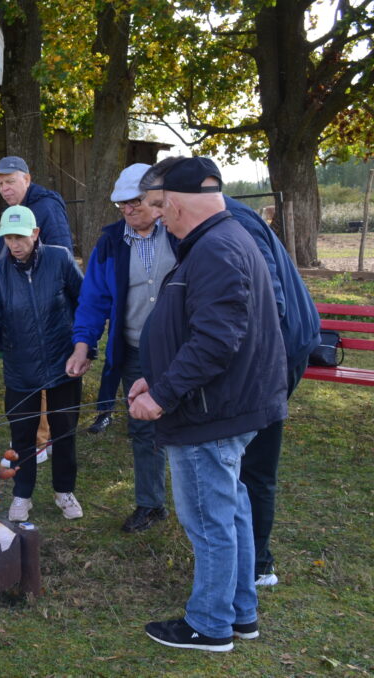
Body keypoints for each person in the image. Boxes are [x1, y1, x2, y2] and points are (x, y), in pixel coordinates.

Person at [128, 157, 287, 652]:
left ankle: (211, 625)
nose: (159, 218)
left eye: (160, 207)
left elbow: (216, 342)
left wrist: (162, 394)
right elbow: (199, 330)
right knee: (231, 511)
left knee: (209, 520)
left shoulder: (216, 248)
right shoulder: (225, 238)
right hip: (223, 405)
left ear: (175, 203)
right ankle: (240, 613)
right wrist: (151, 379)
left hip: (207, 412)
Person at [66, 164, 179, 533]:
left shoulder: (181, 233)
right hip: (133, 352)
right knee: (143, 428)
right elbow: (93, 300)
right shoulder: (110, 243)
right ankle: (151, 503)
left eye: (135, 203)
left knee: (192, 425)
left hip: (182, 351)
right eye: (122, 205)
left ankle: (202, 507)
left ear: (155, 198)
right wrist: (82, 346)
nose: (128, 211)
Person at [225, 195, 320, 587]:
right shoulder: (221, 221)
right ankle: (243, 552)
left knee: (255, 462)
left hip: (277, 351)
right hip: (268, 351)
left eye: (156, 205)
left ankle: (257, 564)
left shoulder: (235, 226)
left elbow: (271, 302)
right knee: (240, 457)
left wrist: (255, 371)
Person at [0, 206, 84, 522]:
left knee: (63, 433)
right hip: (20, 369)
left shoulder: (60, 259)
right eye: (8, 238)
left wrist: (83, 349)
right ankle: (22, 495)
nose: (14, 244)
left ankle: (64, 491)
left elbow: (84, 301)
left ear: (35, 234)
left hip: (63, 365)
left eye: (20, 237)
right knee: (22, 437)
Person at [0, 156, 73, 272]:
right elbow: (7, 255)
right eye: (0, 184)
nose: (4, 189)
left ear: (26, 180)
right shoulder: (10, 212)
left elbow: (62, 258)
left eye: (10, 182)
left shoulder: (48, 207)